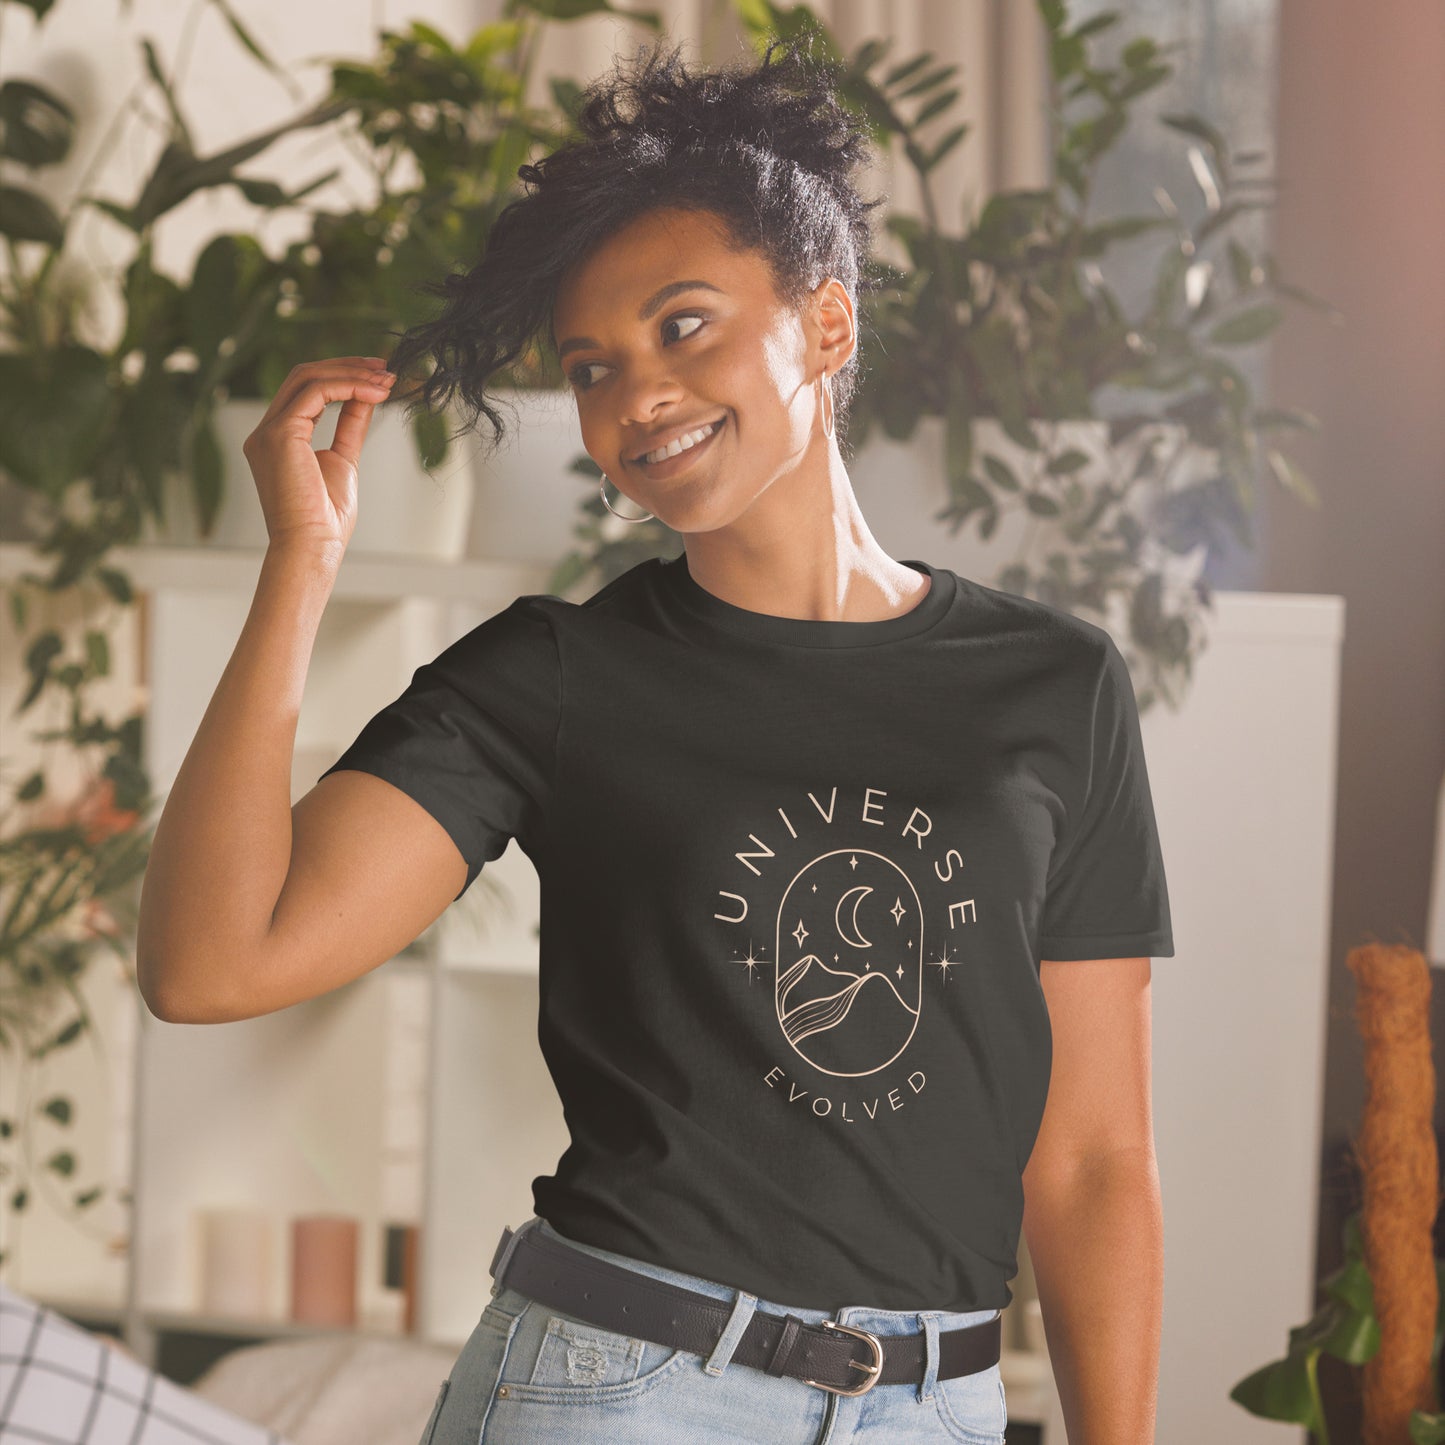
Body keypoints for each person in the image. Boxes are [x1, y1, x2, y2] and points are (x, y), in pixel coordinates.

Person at [136, 29, 1174, 1445]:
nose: (634, 399)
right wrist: (300, 567)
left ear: (825, 323)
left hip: (939, 1407)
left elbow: (1096, 1158)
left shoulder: (1054, 685)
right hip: (618, 1390)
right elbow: (210, 962)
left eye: (681, 325)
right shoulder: (554, 677)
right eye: (590, 367)